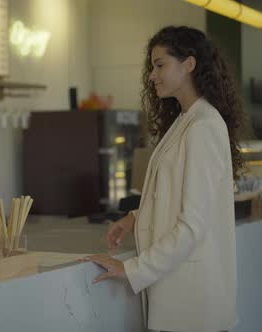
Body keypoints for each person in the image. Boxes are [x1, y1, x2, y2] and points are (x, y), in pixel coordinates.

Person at [82, 26, 245, 332]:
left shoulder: (203, 126)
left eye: (160, 65)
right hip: (183, 303)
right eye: (152, 67)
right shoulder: (187, 120)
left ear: (190, 64)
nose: (152, 76)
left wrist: (131, 269)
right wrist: (135, 217)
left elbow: (192, 226)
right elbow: (172, 195)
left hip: (194, 308)